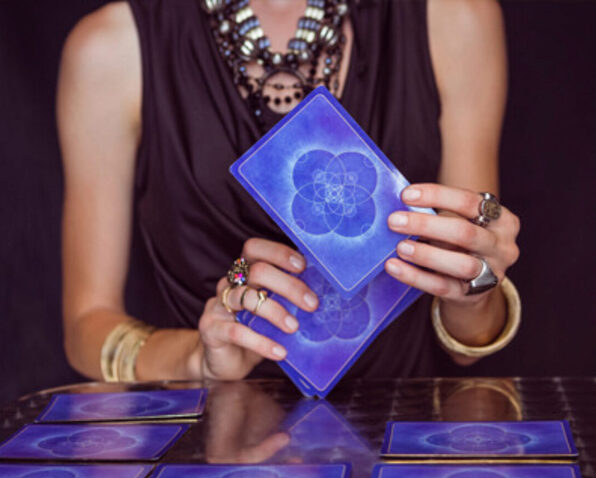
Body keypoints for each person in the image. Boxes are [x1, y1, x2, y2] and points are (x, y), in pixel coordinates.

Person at [57, 0, 520, 385]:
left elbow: (466, 345)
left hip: (400, 438)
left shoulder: (455, 17)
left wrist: (476, 291)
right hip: (215, 447)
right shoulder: (111, 48)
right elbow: (86, 327)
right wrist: (195, 357)